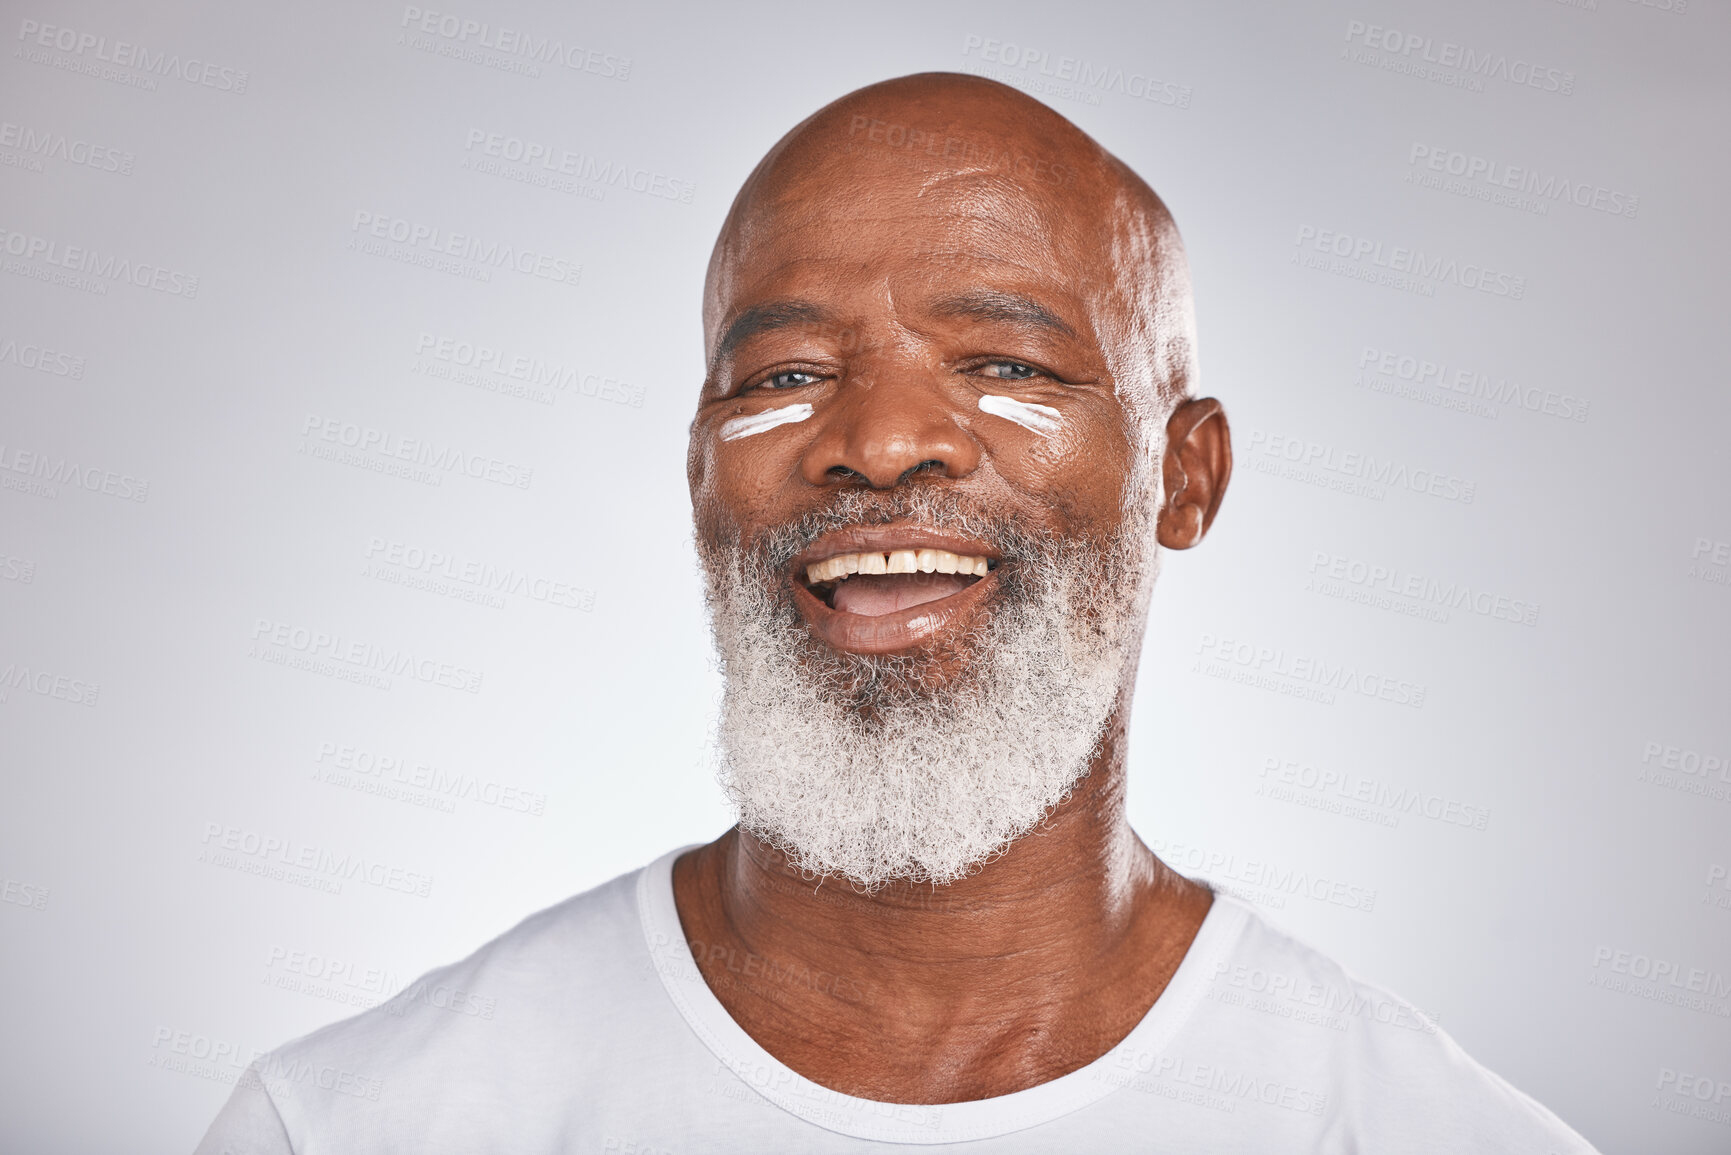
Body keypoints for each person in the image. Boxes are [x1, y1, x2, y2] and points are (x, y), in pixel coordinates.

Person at [197, 73, 1595, 1152]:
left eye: (1004, 361)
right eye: (781, 376)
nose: (880, 441)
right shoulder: (360, 1126)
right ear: (698, 480)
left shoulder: (1409, 1129)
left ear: (1186, 473)